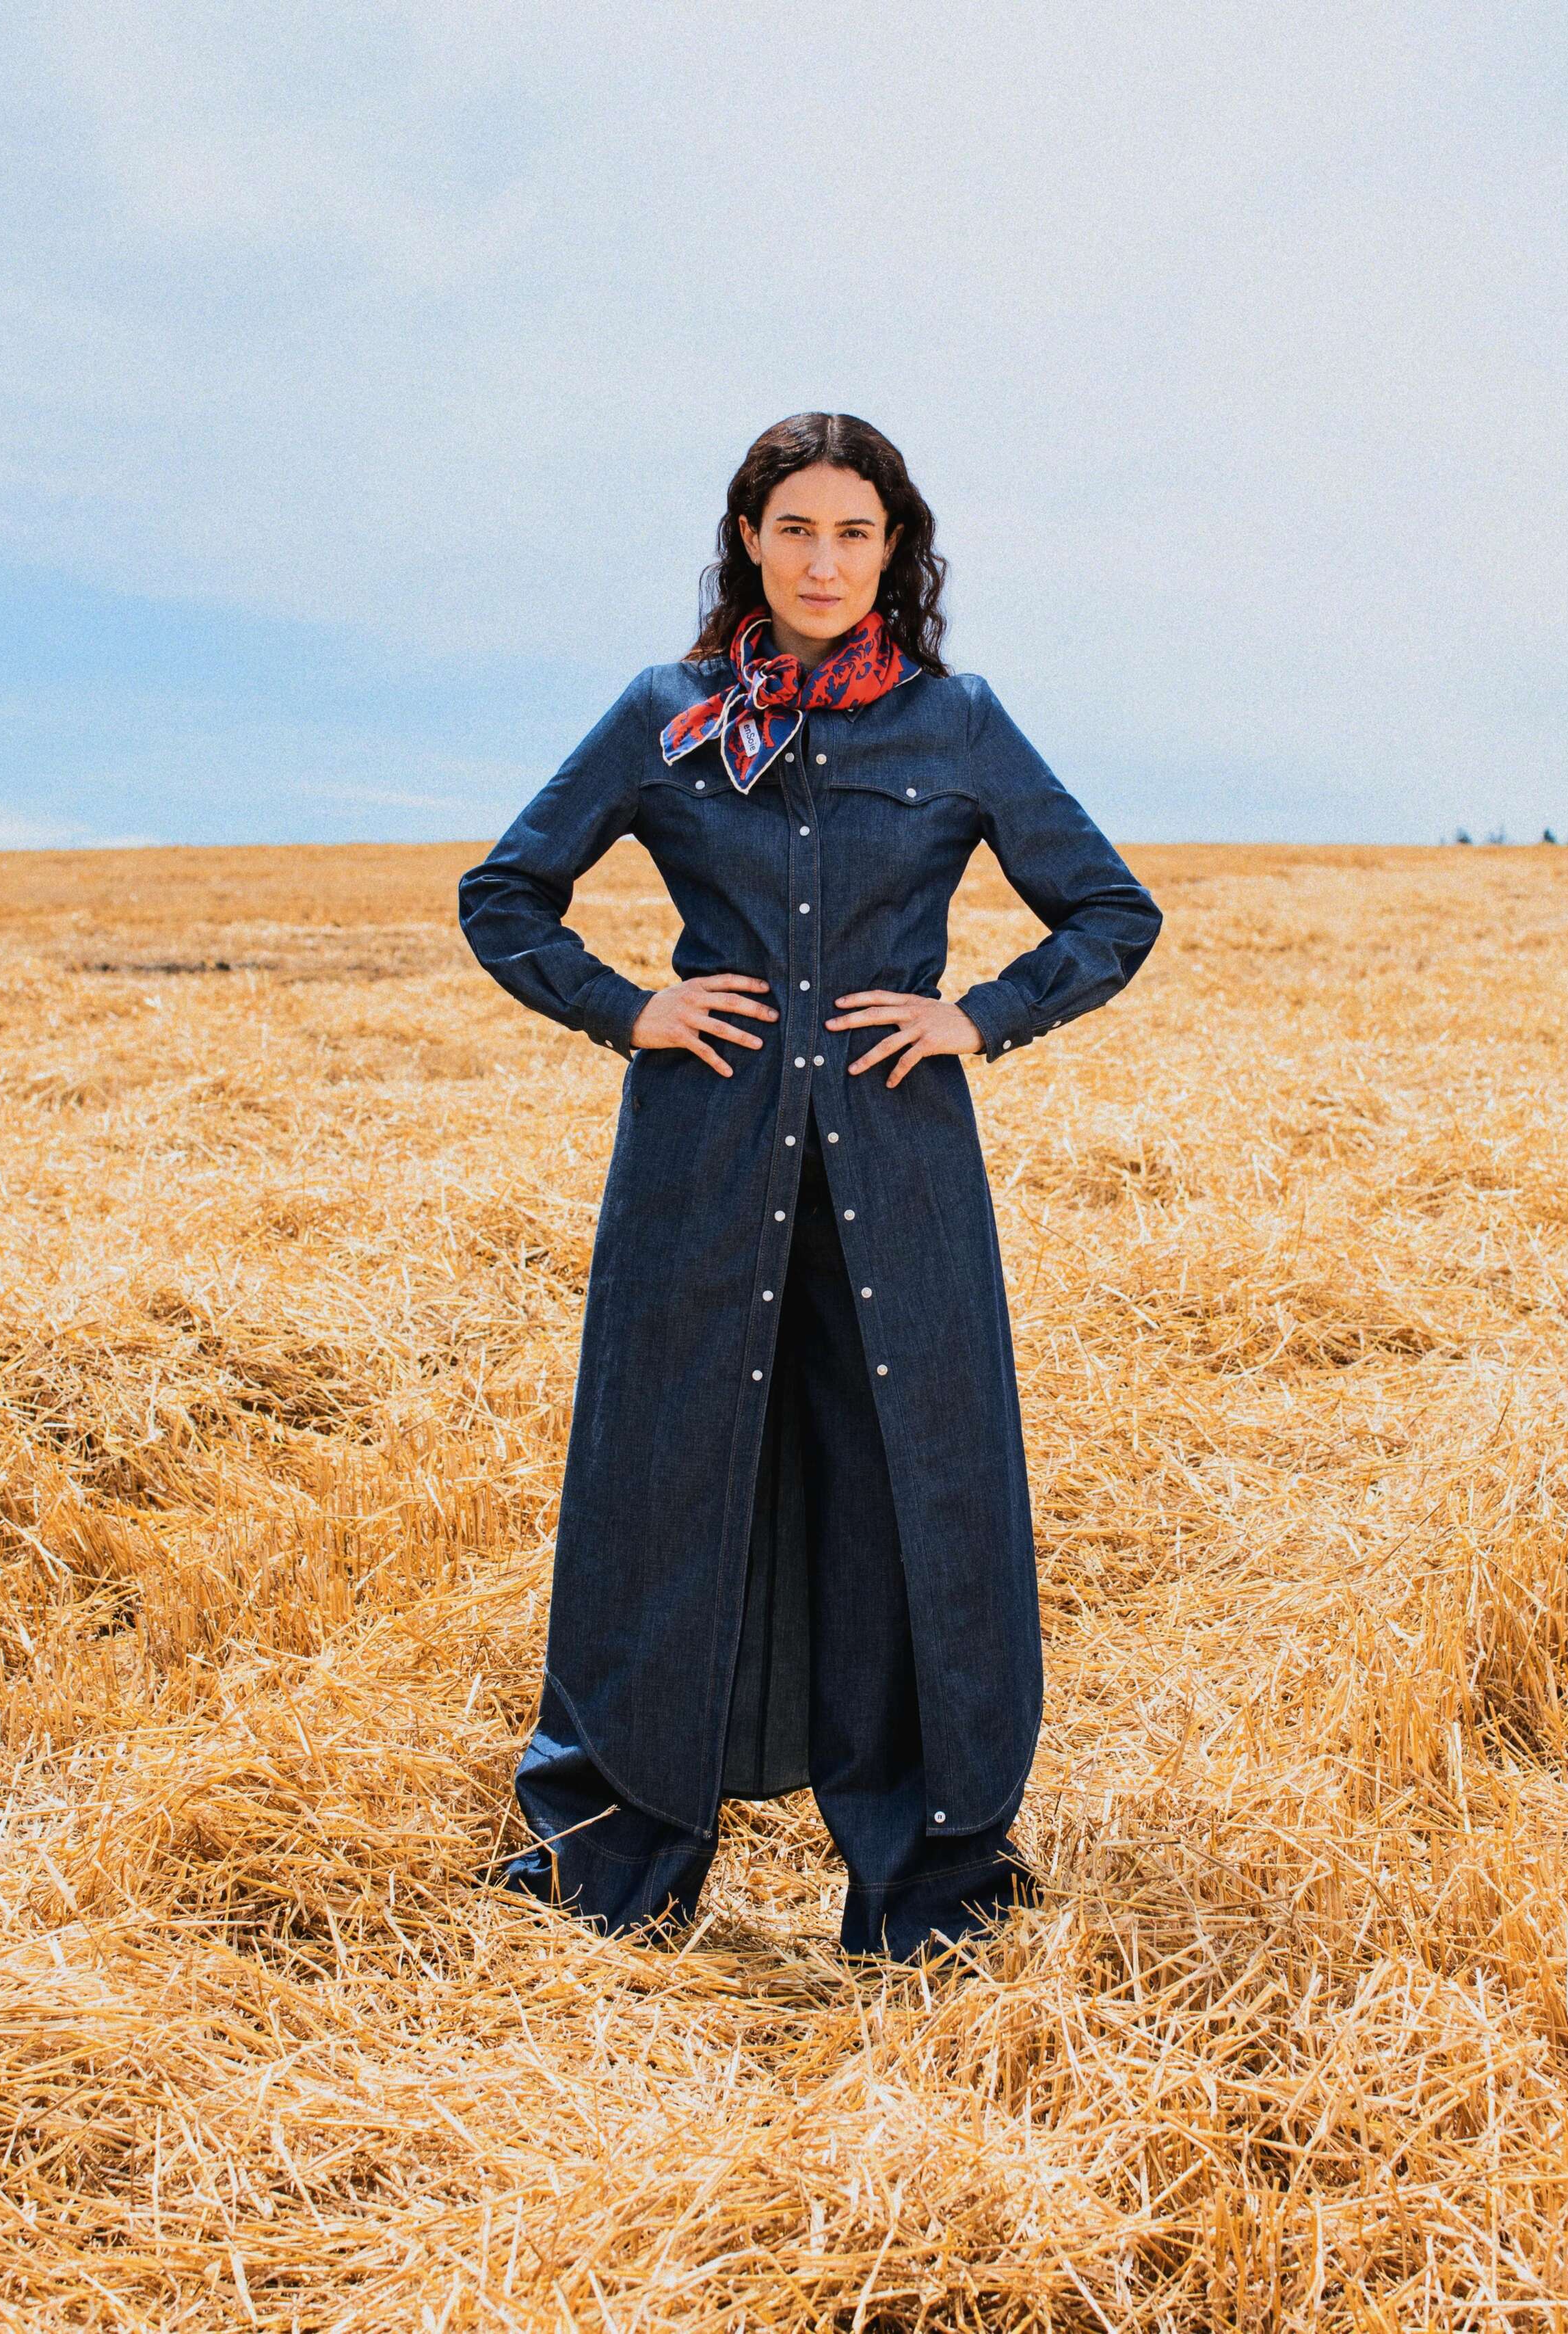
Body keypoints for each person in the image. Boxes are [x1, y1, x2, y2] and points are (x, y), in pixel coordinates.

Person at [458, 412, 1161, 1960]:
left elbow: (1111, 911)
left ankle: (928, 1892)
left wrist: (975, 1015)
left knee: (914, 1501)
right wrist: (625, 1005)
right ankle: (604, 1874)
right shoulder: (670, 713)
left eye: (854, 532)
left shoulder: (955, 723)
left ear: (894, 549)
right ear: (748, 542)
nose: (823, 560)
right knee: (658, 1491)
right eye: (795, 530)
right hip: (698, 1176)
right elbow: (504, 890)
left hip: (897, 1181)